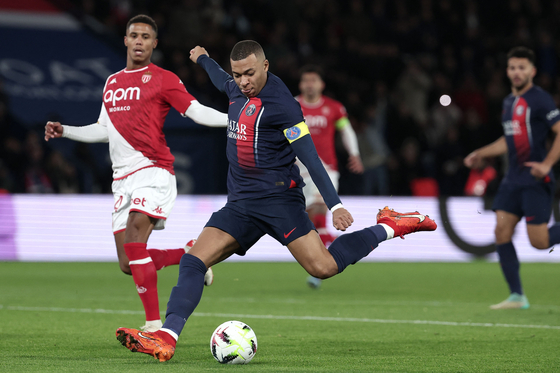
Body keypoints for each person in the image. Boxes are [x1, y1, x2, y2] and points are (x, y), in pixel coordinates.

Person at [115, 40, 437, 362]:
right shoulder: (237, 87)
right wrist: (203, 59)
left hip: (279, 201)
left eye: (250, 74)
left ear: (266, 67)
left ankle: (390, 226)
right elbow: (220, 79)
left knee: (323, 267)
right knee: (193, 261)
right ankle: (166, 337)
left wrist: (335, 205)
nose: (243, 82)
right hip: (240, 204)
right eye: (238, 74)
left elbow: (310, 158)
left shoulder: (282, 105)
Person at [44, 14, 225, 331]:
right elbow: (104, 130)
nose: (139, 41)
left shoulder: (163, 78)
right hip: (122, 181)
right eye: (133, 35)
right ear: (125, 40)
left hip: (153, 172)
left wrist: (235, 119)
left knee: (134, 240)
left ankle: (154, 327)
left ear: (154, 44)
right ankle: (189, 255)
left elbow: (196, 112)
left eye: (145, 36)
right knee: (128, 263)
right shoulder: (112, 82)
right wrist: (66, 131)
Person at [464, 46, 560, 310]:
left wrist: (547, 164)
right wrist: (480, 153)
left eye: (522, 67)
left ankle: (518, 295)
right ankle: (517, 296)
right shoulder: (508, 102)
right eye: (513, 67)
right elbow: (509, 140)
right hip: (512, 180)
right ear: (507, 71)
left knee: (539, 242)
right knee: (501, 231)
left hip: (535, 180)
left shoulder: (539, 99)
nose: (517, 72)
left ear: (533, 71)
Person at [295, 65, 364, 289]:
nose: (310, 84)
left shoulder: (334, 108)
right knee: (308, 221)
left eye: (314, 80)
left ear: (321, 84)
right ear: (301, 85)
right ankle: (337, 251)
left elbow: (346, 131)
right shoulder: (292, 106)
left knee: (318, 212)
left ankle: (322, 268)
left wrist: (354, 153)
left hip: (326, 169)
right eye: (306, 80)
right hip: (296, 169)